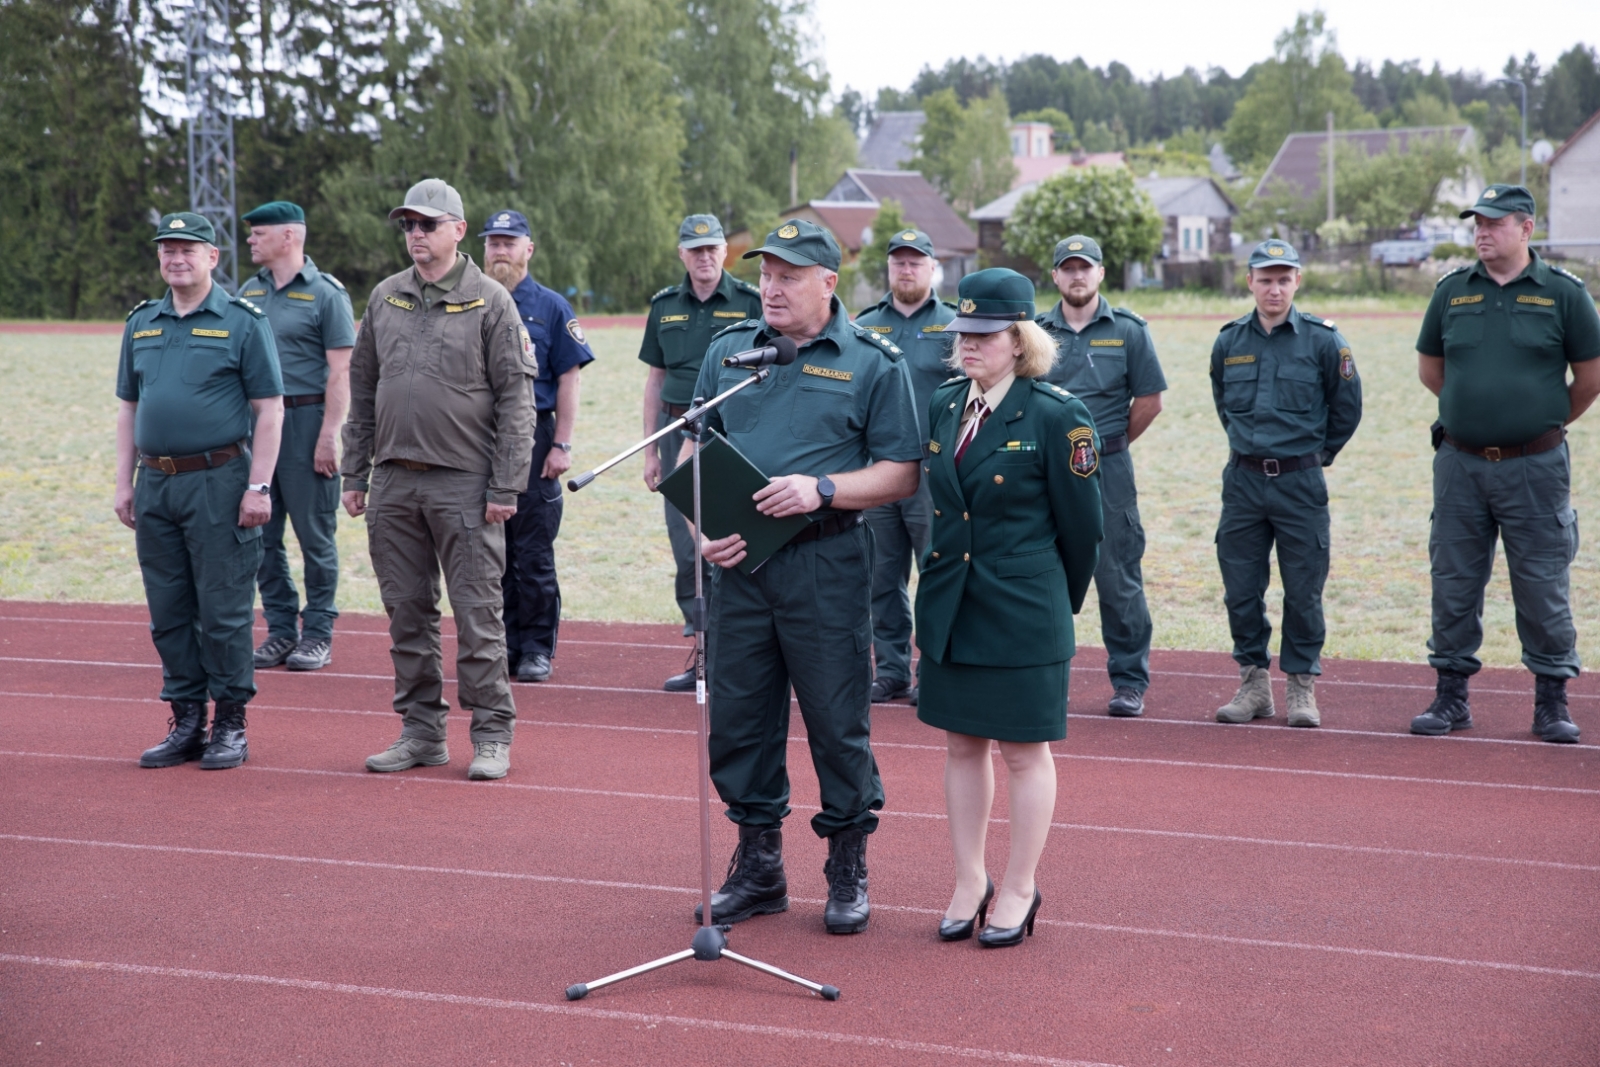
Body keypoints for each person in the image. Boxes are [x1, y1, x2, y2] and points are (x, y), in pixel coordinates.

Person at [686, 219, 922, 935]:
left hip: (825, 561)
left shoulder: (873, 361)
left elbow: (902, 471)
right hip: (740, 568)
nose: (770, 287)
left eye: (788, 276)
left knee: (835, 718)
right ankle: (758, 866)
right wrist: (703, 532)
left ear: (829, 281)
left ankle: (846, 864)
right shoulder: (730, 352)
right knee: (740, 717)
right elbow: (694, 452)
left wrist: (821, 488)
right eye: (764, 274)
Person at [914, 268, 1102, 948]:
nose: (969, 343)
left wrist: (1050, 602)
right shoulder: (942, 404)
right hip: (952, 603)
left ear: (1019, 340)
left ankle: (1020, 884)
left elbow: (1083, 530)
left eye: (985, 334)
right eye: (963, 331)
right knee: (962, 743)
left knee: (1024, 752)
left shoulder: (1056, 415)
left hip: (1023, 607)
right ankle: (970, 878)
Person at [341, 179, 537, 782]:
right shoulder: (385, 297)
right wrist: (355, 471)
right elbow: (363, 390)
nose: (416, 235)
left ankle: (491, 733)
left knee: (478, 614)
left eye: (427, 224)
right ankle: (422, 732)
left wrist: (506, 487)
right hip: (395, 481)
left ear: (457, 228)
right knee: (406, 613)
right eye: (408, 225)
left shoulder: (490, 301)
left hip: (465, 485)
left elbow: (516, 402)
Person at [1411, 184, 1600, 744]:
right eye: (1477, 222)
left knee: (1542, 583)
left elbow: (1590, 379)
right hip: (1460, 465)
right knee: (1453, 580)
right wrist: (1476, 417)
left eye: (1494, 222)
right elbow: (1431, 370)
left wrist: (1538, 422)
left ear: (1527, 229)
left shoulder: (1564, 294)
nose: (1482, 231)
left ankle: (1551, 702)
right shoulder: (1451, 291)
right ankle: (1451, 697)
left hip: (1534, 468)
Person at [115, 211, 284, 771]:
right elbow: (128, 409)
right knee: (168, 609)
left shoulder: (242, 322)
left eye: (188, 248)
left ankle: (230, 722)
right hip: (157, 482)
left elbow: (269, 410)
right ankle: (187, 719)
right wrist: (124, 482)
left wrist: (258, 486)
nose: (176, 258)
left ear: (214, 257)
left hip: (220, 481)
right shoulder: (141, 323)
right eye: (167, 249)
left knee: (223, 611)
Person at [1209, 240, 1362, 728]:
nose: (1274, 288)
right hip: (1244, 482)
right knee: (1240, 587)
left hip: (1300, 483)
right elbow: (1223, 405)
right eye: (1265, 279)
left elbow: (1347, 408)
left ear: (1298, 281)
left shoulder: (1324, 340)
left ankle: (1301, 687)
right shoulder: (1229, 342)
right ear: (1249, 282)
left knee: (1303, 589)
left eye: (1283, 279)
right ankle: (1254, 684)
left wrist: (1316, 456)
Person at [1037, 235, 1166, 717]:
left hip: (1107, 468)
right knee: (1040, 574)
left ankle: (1129, 681)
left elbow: (1149, 401)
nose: (1076, 276)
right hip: (1043, 473)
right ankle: (1042, 676)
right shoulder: (1033, 331)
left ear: (1100, 273)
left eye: (1084, 267)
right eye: (1067, 268)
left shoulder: (1129, 330)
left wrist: (1102, 449)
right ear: (1055, 276)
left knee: (1117, 577)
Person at [638, 214, 763, 691]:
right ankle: (705, 654)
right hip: (675, 430)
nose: (705, 256)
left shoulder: (751, 302)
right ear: (682, 254)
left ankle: (745, 656)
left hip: (732, 431)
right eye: (696, 249)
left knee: (736, 539)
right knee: (687, 545)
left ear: (724, 252)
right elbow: (653, 380)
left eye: (712, 248)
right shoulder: (664, 307)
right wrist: (651, 451)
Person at [239, 200, 356, 672]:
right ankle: (283, 630)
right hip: (256, 427)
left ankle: (319, 633)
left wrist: (330, 434)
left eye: (258, 232)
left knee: (315, 537)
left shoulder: (327, 294)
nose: (250, 239)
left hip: (307, 422)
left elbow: (341, 370)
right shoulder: (248, 290)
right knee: (260, 533)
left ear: (289, 236)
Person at [479, 209, 594, 684]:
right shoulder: (471, 301)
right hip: (478, 440)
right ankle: (502, 644)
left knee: (533, 554)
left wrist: (562, 445)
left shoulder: (551, 307)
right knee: (490, 554)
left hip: (534, 438)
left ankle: (536, 648)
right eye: (494, 242)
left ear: (529, 248)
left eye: (510, 241)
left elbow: (567, 380)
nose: (500, 250)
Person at [854, 228, 957, 705]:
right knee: (880, 576)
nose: (907, 268)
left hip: (934, 474)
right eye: (899, 261)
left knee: (935, 572)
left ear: (932, 267)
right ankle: (891, 669)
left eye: (916, 261)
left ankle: (933, 670)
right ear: (889, 268)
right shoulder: (864, 324)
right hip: (878, 471)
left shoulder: (957, 325)